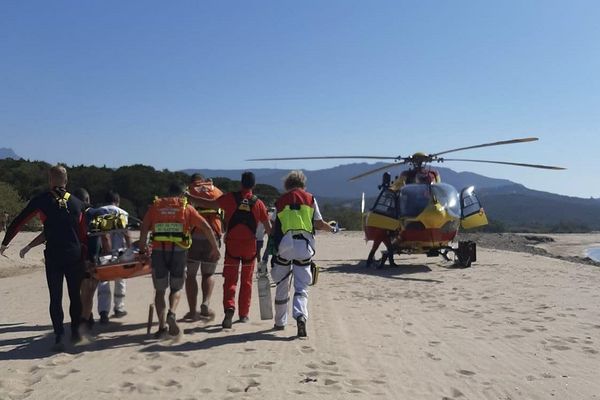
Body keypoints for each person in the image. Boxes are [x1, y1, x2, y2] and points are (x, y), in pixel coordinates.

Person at [0, 165, 87, 351]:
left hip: (54, 256)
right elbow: (85, 233)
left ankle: (58, 336)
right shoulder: (78, 203)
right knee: (75, 296)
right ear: (67, 180)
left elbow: (18, 222)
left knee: (55, 297)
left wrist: (5, 243)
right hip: (74, 255)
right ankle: (75, 332)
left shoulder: (41, 201)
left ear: (50, 180)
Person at [139, 183, 220, 339]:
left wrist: (142, 250)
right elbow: (206, 227)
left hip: (158, 252)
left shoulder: (155, 206)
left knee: (160, 291)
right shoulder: (186, 208)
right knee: (176, 288)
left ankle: (162, 327)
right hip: (179, 252)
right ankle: (172, 312)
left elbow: (143, 228)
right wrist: (215, 248)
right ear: (183, 194)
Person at [194, 171, 271, 329]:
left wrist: (190, 197)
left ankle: (229, 307)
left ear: (240, 183)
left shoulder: (230, 198)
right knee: (247, 282)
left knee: (230, 280)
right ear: (253, 185)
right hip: (250, 247)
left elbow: (209, 204)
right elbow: (269, 229)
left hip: (232, 246)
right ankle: (243, 315)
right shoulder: (259, 203)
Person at [270, 170, 337, 338]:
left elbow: (273, 227)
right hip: (304, 247)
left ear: (287, 185)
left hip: (284, 246)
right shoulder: (310, 199)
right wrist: (333, 229)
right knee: (301, 287)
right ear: (302, 184)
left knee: (282, 285)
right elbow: (319, 224)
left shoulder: (280, 201)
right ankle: (300, 317)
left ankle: (280, 322)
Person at [184, 175, 223, 320]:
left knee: (191, 275)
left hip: (193, 236)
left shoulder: (189, 191)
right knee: (208, 274)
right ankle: (205, 303)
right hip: (213, 235)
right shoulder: (217, 191)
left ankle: (192, 310)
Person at [96, 190, 131, 323]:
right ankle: (119, 308)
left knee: (103, 281)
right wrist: (131, 250)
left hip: (103, 252)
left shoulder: (98, 212)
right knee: (120, 279)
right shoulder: (122, 213)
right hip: (118, 251)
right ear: (117, 200)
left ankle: (103, 312)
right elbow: (126, 233)